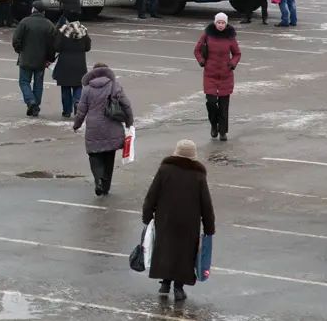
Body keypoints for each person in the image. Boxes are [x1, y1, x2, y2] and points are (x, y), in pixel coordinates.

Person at [142, 139, 216, 302]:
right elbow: (206, 204)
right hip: (188, 222)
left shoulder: (165, 170)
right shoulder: (198, 175)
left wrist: (147, 215)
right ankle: (178, 288)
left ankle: (165, 284)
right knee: (184, 254)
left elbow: (151, 195)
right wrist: (209, 227)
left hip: (166, 219)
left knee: (166, 250)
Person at [73, 63, 134, 196]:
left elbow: (81, 111)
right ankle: (106, 186)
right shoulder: (115, 86)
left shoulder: (87, 89)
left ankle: (98, 180)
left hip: (94, 128)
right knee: (109, 157)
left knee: (94, 155)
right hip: (112, 126)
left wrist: (76, 124)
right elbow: (127, 105)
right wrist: (129, 122)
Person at [194, 13, 241, 141]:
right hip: (210, 74)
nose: (221, 25)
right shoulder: (207, 35)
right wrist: (201, 61)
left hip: (226, 75)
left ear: (226, 24)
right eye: (219, 22)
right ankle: (214, 125)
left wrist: (232, 64)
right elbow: (197, 50)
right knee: (211, 102)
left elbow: (237, 53)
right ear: (215, 22)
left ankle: (223, 132)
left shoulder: (230, 37)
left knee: (224, 105)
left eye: (223, 23)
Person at [12, 1, 57, 117]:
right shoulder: (49, 25)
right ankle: (35, 105)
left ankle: (31, 102)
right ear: (43, 12)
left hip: (25, 59)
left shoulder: (24, 22)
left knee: (24, 82)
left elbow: (16, 40)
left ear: (33, 10)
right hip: (41, 61)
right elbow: (53, 45)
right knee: (38, 84)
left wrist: (20, 50)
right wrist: (50, 59)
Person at [53, 19, 91, 118]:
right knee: (78, 86)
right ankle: (78, 102)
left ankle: (66, 111)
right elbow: (87, 47)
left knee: (65, 87)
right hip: (80, 63)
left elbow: (57, 47)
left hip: (65, 63)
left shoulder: (63, 31)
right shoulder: (83, 30)